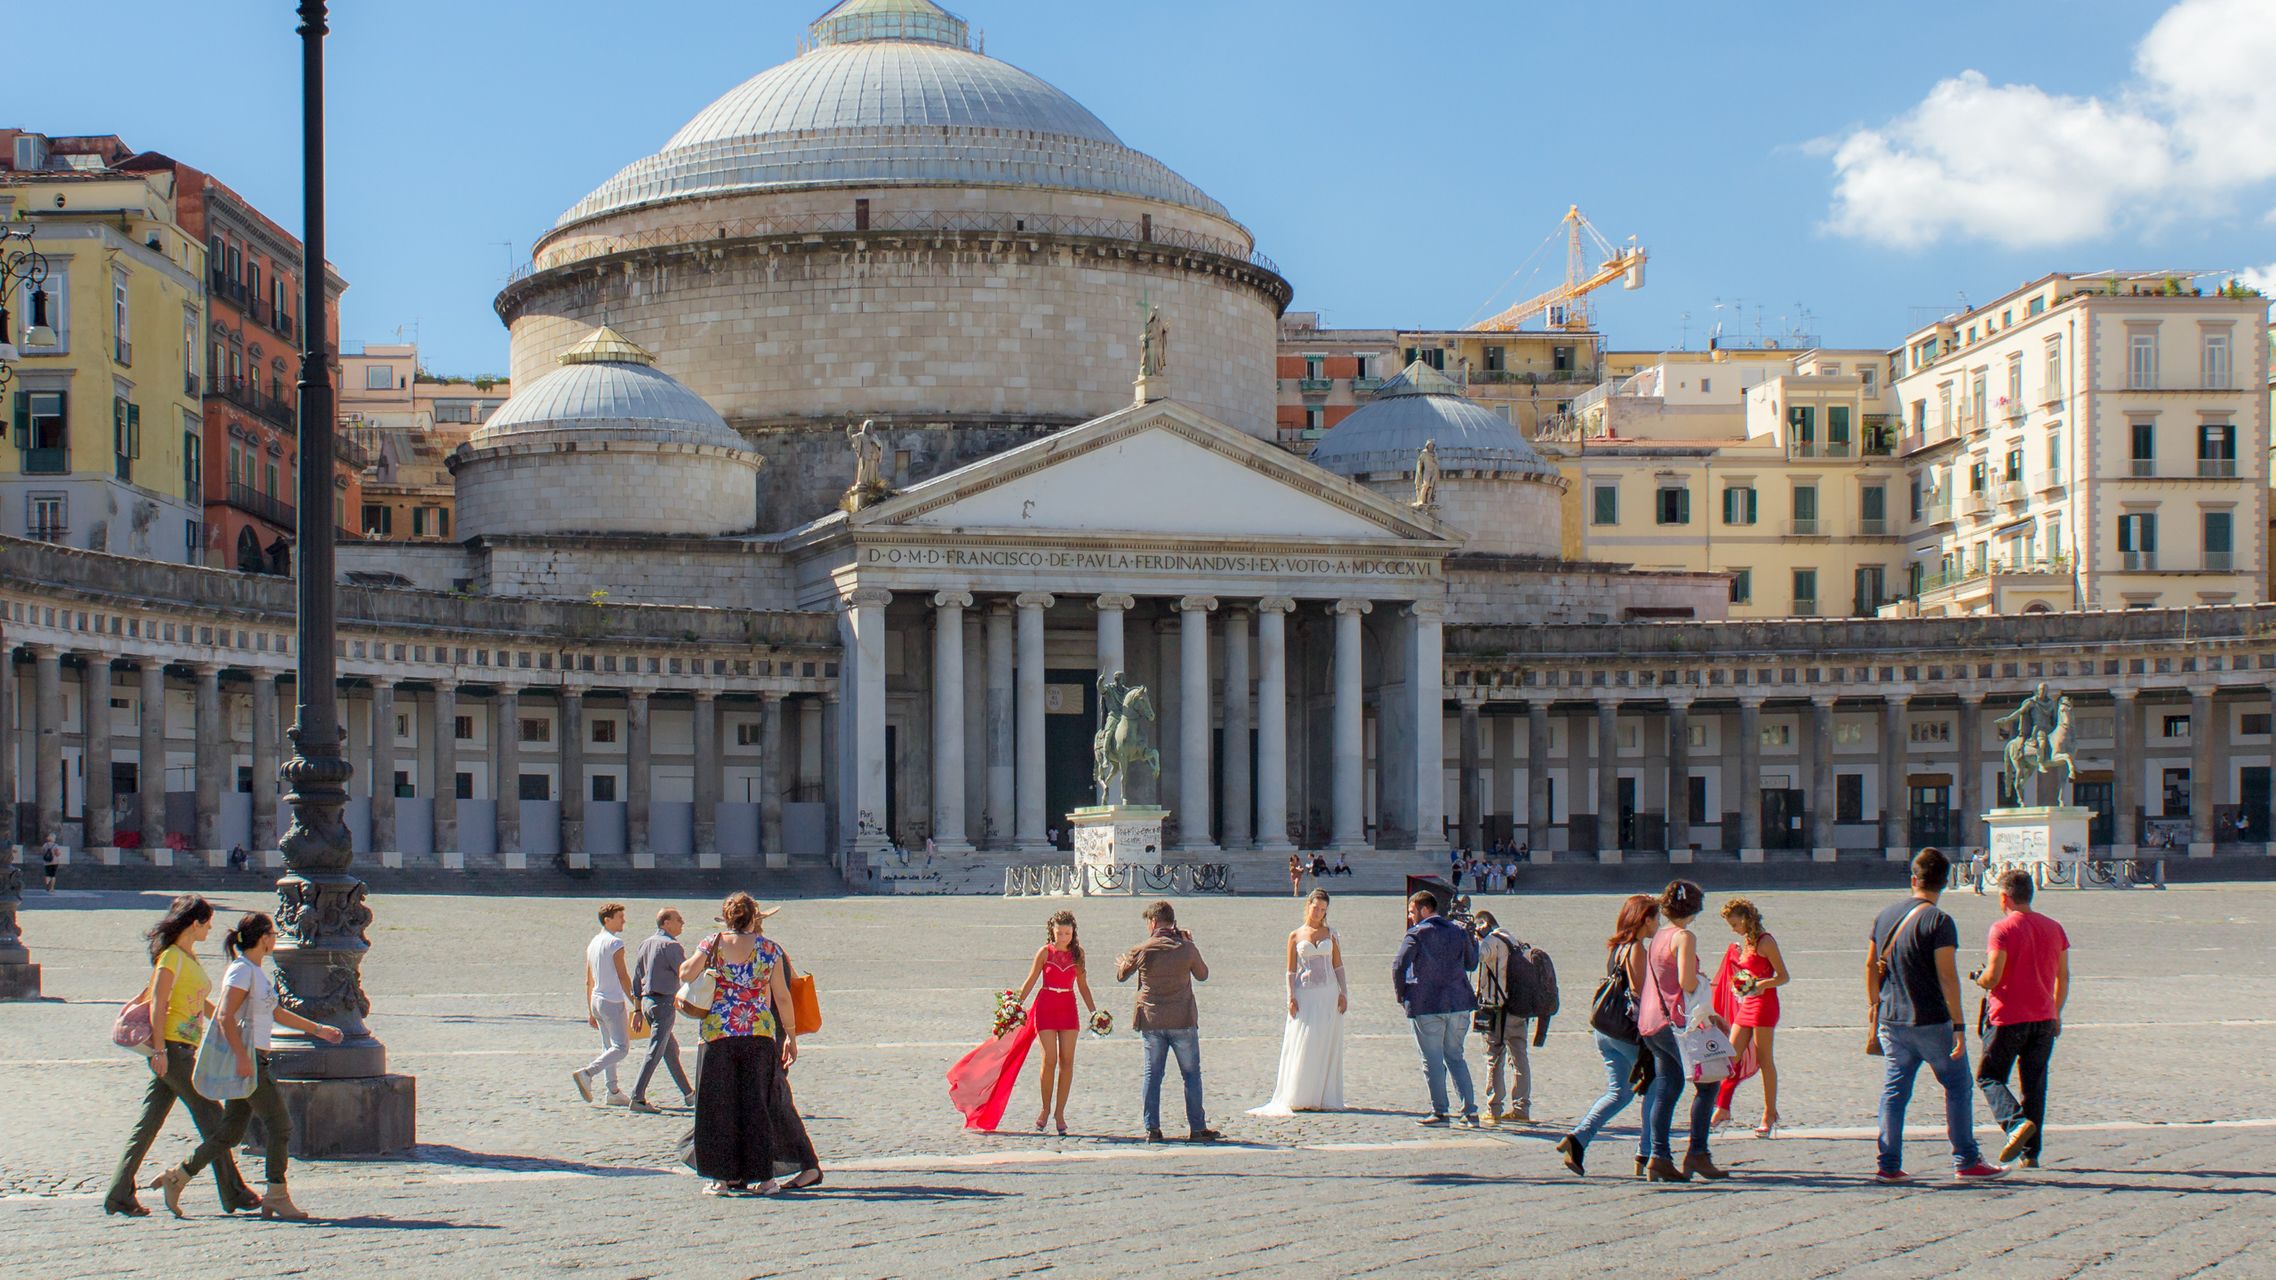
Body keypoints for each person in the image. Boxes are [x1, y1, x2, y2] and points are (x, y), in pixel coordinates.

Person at [164, 913, 344, 1219]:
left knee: (229, 1133)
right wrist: (243, 1058)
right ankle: (277, 1194)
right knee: (280, 1125)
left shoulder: (257, 973)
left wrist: (318, 1030)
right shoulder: (242, 971)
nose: (275, 939)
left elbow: (276, 1013)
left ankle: (178, 1176)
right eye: (272, 934)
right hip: (249, 1060)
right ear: (263, 938)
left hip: (255, 1058)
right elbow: (224, 1016)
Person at [104, 894, 259, 1217]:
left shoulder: (188, 956)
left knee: (148, 1123)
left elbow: (200, 1001)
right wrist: (159, 1050)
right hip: (172, 1050)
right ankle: (234, 1192)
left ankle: (119, 1192)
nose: (210, 929)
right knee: (213, 1116)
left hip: (182, 1047)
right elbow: (159, 1004)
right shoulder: (171, 957)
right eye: (208, 923)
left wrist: (225, 1021)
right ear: (194, 923)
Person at [1870, 848, 2006, 1181]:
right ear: (1944, 883)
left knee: (1894, 1091)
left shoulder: (1885, 915)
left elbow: (1869, 965)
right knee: (1958, 1086)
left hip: (1892, 1019)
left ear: (1913, 879)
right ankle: (1966, 1159)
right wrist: (1958, 1026)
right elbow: (1947, 975)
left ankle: (1888, 1165)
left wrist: (1874, 1006)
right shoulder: (1940, 921)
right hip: (1931, 1021)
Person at [677, 892, 821, 1195]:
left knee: (718, 1106)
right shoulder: (769, 949)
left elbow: (686, 973)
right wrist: (791, 1037)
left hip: (719, 1034)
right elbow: (782, 996)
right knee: (756, 1106)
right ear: (754, 917)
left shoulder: (712, 942)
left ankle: (720, 1178)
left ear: (727, 917)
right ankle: (765, 1178)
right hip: (759, 1033)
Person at [1973, 868, 2070, 1169]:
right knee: (2035, 1085)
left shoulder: (2002, 929)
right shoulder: (2055, 928)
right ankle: (2031, 1155)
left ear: (2005, 897)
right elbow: (2063, 977)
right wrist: (2056, 1012)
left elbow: (1993, 976)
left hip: (2008, 1018)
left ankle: (2015, 1124)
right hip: (2043, 1018)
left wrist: (1979, 978)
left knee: (1989, 1076)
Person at [1556, 894, 1659, 1177]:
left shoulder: (1616, 948)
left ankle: (1578, 1139)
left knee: (1619, 1092)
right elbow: (1641, 993)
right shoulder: (1636, 949)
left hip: (1606, 1030)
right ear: (1644, 920)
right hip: (1627, 1032)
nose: (1658, 924)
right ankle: (1647, 1153)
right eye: (1655, 918)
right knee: (1656, 1086)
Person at [1636, 880, 1728, 1182]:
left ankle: (1659, 1157)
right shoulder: (1684, 937)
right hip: (1674, 1022)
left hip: (1651, 1022)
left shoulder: (1659, 936)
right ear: (1693, 909)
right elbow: (1687, 983)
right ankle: (1698, 1153)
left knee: (1667, 1087)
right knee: (1708, 1084)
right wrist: (1703, 979)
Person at [1115, 900, 1218, 1143]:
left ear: (1152, 922)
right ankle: (1197, 1128)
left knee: (1153, 1074)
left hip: (1152, 1021)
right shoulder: (1186, 948)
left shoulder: (1143, 949)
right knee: (1191, 1075)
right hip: (1182, 1019)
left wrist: (1123, 964)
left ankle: (1152, 1128)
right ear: (1173, 922)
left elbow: (1121, 975)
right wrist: (1190, 944)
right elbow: (1203, 975)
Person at [1249, 889, 1347, 1116]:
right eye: (1316, 908)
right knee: (1303, 1041)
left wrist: (1344, 992)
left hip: (1328, 993)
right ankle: (1300, 1093)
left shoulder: (1331, 934)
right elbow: (1290, 971)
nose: (1319, 913)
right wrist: (1290, 997)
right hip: (1305, 994)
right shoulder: (1295, 935)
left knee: (1324, 1042)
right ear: (1308, 906)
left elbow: (1338, 965)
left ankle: (1322, 1094)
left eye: (1323, 909)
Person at [1392, 888, 1479, 1128]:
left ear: (1425, 909)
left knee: (1432, 1060)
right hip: (1459, 1004)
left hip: (1426, 1004)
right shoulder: (1459, 932)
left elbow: (1399, 965)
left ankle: (1440, 1112)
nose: (1410, 917)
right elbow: (1472, 964)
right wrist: (1472, 940)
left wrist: (1402, 996)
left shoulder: (1417, 934)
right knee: (1456, 1057)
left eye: (1412, 912)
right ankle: (1470, 1112)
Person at [1709, 897, 1788, 1137]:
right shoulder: (1746, 942)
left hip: (1764, 1004)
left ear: (1745, 919)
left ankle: (1769, 1113)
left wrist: (1762, 984)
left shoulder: (1766, 942)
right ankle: (1723, 1107)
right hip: (1748, 1003)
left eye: (1734, 924)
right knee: (1729, 1056)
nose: (1733, 929)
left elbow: (1783, 976)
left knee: (1765, 1061)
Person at [1014, 910, 1098, 1135]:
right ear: (1052, 932)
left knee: (1067, 1061)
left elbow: (1083, 985)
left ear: (1073, 932)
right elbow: (1031, 980)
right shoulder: (1044, 952)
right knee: (1049, 1059)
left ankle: (1060, 1113)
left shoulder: (1078, 954)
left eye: (1067, 933)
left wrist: (1094, 1012)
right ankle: (1044, 1108)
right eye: (1059, 933)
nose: (1063, 937)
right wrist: (1014, 1005)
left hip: (1068, 1007)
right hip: (1046, 1006)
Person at [1470, 910, 1544, 1126]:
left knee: (1494, 1057)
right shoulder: (1514, 940)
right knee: (1520, 1058)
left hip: (1497, 1008)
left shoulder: (1492, 942)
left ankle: (1493, 1109)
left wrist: (1473, 940)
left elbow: (1475, 958)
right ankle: (1522, 1108)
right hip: (1519, 1008)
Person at [628, 908, 697, 1114]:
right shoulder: (672, 946)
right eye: (678, 920)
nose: (682, 923)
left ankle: (689, 1094)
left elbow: (636, 977)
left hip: (648, 1004)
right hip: (664, 1004)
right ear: (666, 923)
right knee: (656, 1051)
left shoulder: (645, 943)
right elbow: (686, 973)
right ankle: (637, 1097)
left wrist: (638, 1010)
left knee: (670, 1050)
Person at [572, 903, 635, 1107]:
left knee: (608, 1046)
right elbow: (623, 975)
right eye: (619, 917)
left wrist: (590, 1009)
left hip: (596, 1000)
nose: (623, 920)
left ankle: (613, 1091)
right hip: (612, 1000)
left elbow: (588, 980)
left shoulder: (593, 943)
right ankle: (588, 1073)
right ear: (607, 919)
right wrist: (636, 1001)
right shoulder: (615, 943)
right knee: (621, 1048)